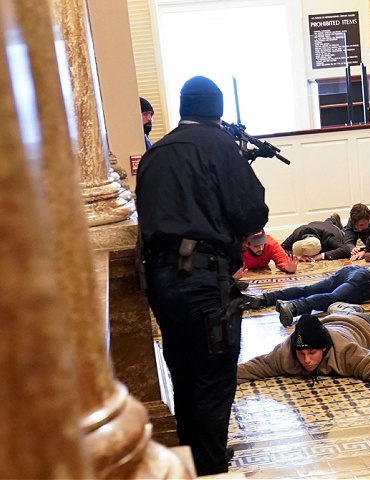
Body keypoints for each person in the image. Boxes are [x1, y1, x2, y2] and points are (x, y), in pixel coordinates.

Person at [135, 75, 269, 475]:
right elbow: (251, 214)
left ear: (182, 108)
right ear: (218, 110)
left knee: (183, 371)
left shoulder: (156, 153)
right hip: (205, 280)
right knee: (214, 376)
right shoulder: (220, 146)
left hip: (160, 281)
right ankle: (210, 469)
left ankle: (193, 460)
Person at [237, 299, 370, 401]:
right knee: (343, 311)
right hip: (332, 321)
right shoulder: (286, 352)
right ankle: (342, 307)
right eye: (302, 354)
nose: (307, 360)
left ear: (324, 349)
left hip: (363, 327)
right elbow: (258, 366)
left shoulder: (346, 350)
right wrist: (223, 378)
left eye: (312, 353)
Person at [247, 249, 370, 327]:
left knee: (309, 289)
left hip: (353, 270)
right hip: (368, 281)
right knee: (333, 298)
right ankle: (294, 307)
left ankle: (264, 298)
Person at [280, 219, 350, 261]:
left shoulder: (329, 238)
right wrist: (298, 256)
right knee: (327, 222)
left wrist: (322, 256)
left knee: (344, 233)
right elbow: (280, 249)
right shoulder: (297, 233)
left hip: (334, 230)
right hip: (317, 225)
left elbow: (346, 249)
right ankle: (331, 219)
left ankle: (333, 221)